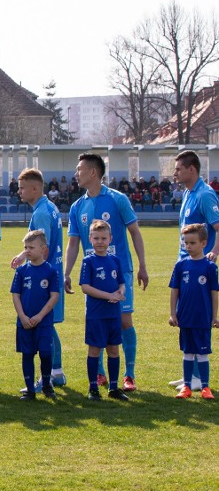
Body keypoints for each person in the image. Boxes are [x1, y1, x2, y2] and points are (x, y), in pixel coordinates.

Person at [65, 153, 148, 392]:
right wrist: (67, 273)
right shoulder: (77, 206)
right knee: (97, 320)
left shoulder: (118, 199)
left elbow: (135, 232)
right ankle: (100, 374)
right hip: (93, 276)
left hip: (119, 272)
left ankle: (129, 375)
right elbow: (73, 243)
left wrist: (142, 265)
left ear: (93, 172)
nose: (76, 173)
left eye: (79, 169)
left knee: (123, 320)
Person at [10, 169, 67, 392]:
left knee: (44, 327)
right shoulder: (49, 207)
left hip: (44, 280)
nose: (19, 191)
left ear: (35, 188)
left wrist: (23, 256)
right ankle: (57, 372)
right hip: (52, 275)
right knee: (49, 326)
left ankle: (48, 376)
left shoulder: (42, 212)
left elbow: (42, 247)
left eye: (22, 187)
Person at [168, 150, 219, 392]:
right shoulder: (188, 193)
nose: (175, 172)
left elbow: (218, 226)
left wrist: (214, 252)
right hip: (185, 265)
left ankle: (198, 378)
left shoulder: (205, 195)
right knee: (185, 318)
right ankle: (191, 375)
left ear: (192, 169)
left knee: (199, 320)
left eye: (178, 168)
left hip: (200, 268)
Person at [79, 220, 129, 402]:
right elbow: (85, 287)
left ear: (110, 239)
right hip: (96, 314)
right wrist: (108, 294)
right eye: (96, 238)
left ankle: (114, 387)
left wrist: (120, 292)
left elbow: (122, 283)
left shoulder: (115, 260)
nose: (100, 241)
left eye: (104, 238)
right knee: (94, 350)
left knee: (114, 350)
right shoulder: (88, 261)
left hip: (113, 314)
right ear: (90, 239)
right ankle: (93, 388)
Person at [11, 230, 60, 400]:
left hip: (44, 321)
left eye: (31, 247)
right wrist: (23, 317)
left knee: (46, 353)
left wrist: (40, 316)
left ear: (43, 249)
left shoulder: (51, 271)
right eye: (25, 247)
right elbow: (15, 295)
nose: (27, 251)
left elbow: (54, 296)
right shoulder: (21, 271)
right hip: (24, 322)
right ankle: (30, 390)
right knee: (27, 354)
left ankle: (46, 384)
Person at [169, 223, 216, 400]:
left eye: (192, 243)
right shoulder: (181, 266)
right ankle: (187, 386)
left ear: (203, 243)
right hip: (185, 317)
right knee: (188, 352)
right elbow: (174, 291)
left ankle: (205, 387)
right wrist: (173, 314)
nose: (188, 246)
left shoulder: (210, 267)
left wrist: (214, 316)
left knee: (203, 353)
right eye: (186, 243)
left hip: (203, 318)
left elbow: (214, 294)